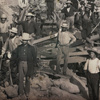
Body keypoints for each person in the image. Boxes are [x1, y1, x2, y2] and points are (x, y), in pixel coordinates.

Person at [11, 32, 37, 98]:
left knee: (28, 78)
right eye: (23, 40)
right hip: (20, 63)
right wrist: (11, 61)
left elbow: (34, 58)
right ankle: (20, 92)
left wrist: (34, 67)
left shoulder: (31, 48)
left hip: (28, 64)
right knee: (20, 78)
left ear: (28, 41)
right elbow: (15, 55)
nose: (24, 41)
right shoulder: (19, 47)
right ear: (22, 40)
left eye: (26, 40)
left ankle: (27, 92)